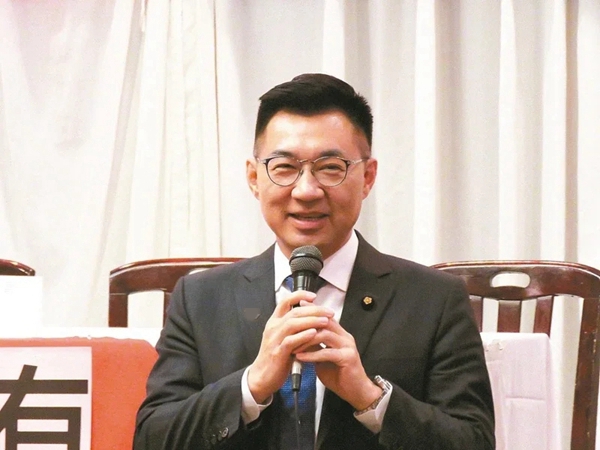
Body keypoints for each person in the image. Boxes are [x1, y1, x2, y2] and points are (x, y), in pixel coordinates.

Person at [133, 73, 495, 450]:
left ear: (367, 177)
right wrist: (250, 386)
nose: (306, 191)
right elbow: (152, 439)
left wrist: (370, 398)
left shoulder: (434, 300)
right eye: (284, 167)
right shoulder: (201, 298)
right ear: (254, 178)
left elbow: (475, 442)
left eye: (330, 167)